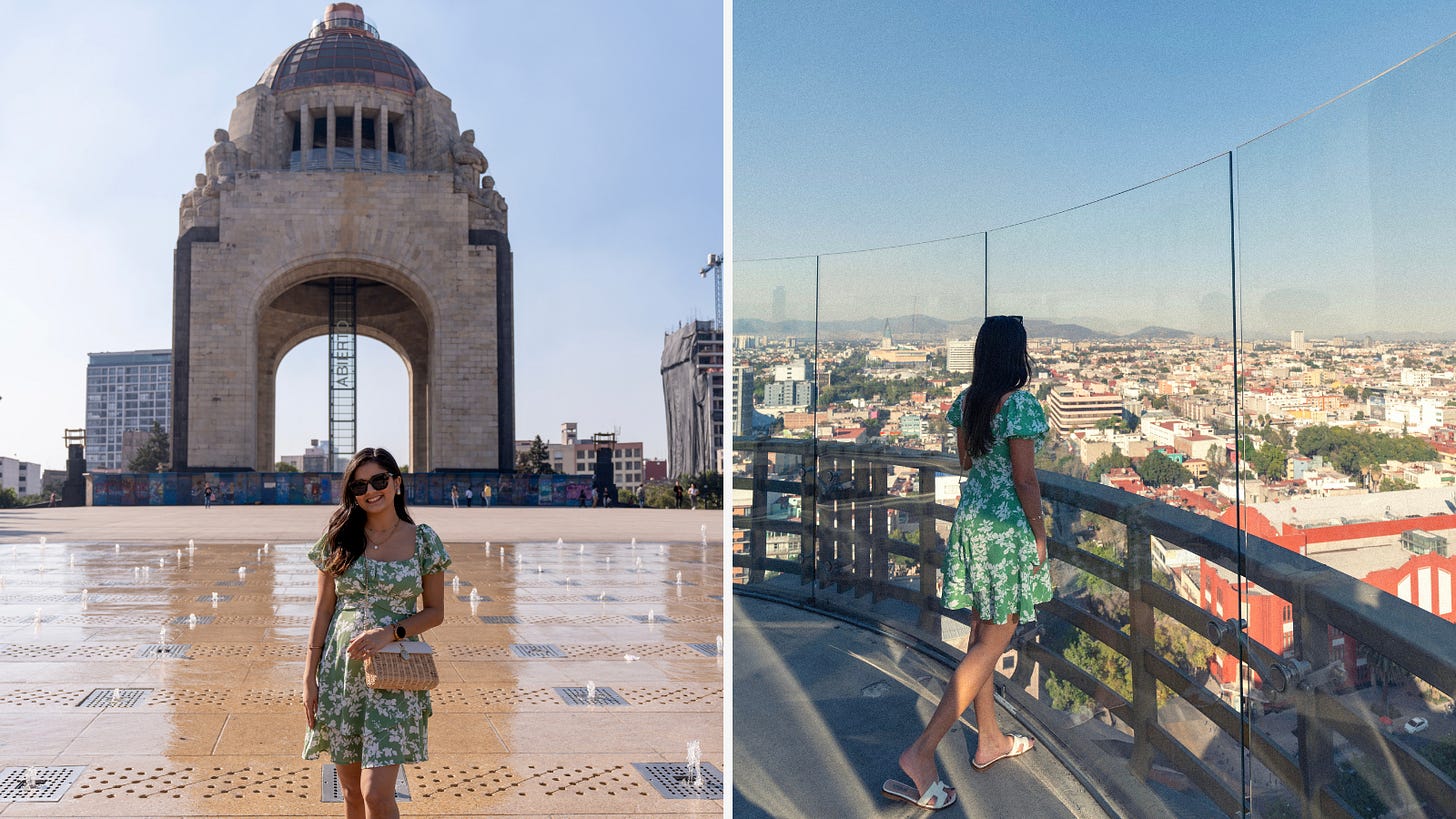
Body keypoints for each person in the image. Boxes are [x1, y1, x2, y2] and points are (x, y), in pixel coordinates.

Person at [883, 316, 1052, 811]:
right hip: (1004, 534)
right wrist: (1039, 534)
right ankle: (922, 751)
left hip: (972, 526)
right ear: (1014, 354)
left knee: (982, 637)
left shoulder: (968, 401)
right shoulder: (1019, 405)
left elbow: (965, 463)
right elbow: (1025, 481)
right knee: (995, 639)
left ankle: (989, 740)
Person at [303, 447, 450, 819]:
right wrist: (309, 677)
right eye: (359, 485)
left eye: (379, 480)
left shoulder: (423, 540)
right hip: (342, 674)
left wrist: (391, 632)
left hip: (394, 675)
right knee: (351, 793)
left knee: (376, 795)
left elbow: (435, 612)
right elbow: (323, 610)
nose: (371, 490)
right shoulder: (339, 536)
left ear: (396, 483)